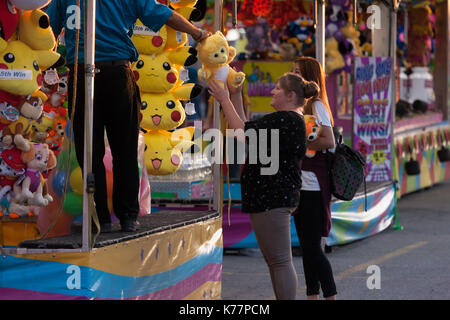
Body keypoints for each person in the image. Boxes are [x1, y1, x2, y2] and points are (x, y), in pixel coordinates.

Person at [47, 0, 210, 232]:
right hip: (116, 73)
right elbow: (164, 14)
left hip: (82, 75)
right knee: (123, 149)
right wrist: (198, 32)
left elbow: (47, 30)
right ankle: (126, 217)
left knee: (90, 152)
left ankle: (99, 218)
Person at [208, 73, 318, 300]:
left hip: (273, 197)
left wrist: (224, 99)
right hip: (269, 197)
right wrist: (236, 94)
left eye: (277, 88)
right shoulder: (285, 119)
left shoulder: (286, 119)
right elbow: (246, 131)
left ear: (290, 95)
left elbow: (241, 131)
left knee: (279, 260)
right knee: (275, 261)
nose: (272, 91)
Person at [292, 56, 337, 300]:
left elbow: (328, 141)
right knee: (307, 247)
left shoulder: (316, 105)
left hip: (313, 184)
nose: (294, 75)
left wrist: (302, 144)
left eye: (298, 72)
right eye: (292, 71)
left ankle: (330, 295)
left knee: (311, 247)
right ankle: (312, 295)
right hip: (300, 183)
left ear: (309, 76)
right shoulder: (301, 106)